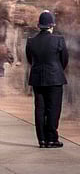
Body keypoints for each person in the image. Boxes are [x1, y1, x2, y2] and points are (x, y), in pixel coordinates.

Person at [26, 10, 68, 148]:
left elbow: (29, 60)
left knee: (40, 109)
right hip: (55, 78)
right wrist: (56, 70)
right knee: (53, 109)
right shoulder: (58, 40)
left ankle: (42, 139)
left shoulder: (31, 41)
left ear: (39, 25)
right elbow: (64, 60)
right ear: (52, 25)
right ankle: (52, 138)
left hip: (37, 78)